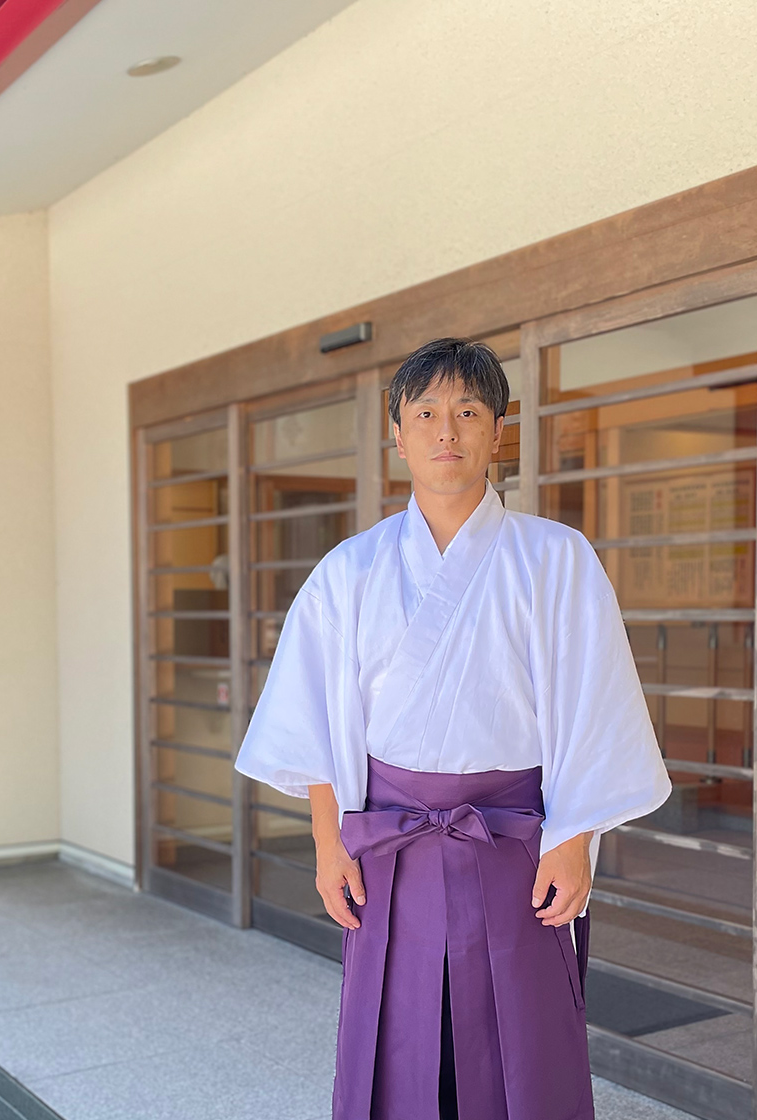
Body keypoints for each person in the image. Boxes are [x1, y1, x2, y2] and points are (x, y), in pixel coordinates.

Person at [235, 337, 671, 1120]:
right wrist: (328, 842)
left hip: (513, 841)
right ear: (396, 436)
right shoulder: (350, 571)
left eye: (468, 411)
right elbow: (316, 720)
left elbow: (592, 706)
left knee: (522, 1045)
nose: (447, 430)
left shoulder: (557, 559)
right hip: (384, 843)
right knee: (392, 1045)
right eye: (426, 413)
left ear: (497, 432)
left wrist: (575, 840)